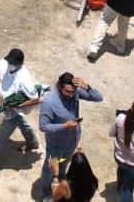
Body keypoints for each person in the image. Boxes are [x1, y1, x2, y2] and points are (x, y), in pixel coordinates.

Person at [39, 72, 104, 201]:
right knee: (49, 169)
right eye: (67, 92)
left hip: (72, 141)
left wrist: (87, 87)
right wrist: (63, 126)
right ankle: (46, 194)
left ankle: (62, 185)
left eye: (73, 92)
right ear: (59, 86)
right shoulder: (49, 102)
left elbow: (99, 98)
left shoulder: (76, 91)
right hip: (56, 145)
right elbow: (43, 126)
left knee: (64, 165)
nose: (71, 95)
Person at [0, 48, 42, 170]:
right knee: (22, 122)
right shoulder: (5, 62)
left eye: (12, 63)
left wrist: (17, 106)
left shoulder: (24, 79)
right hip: (5, 104)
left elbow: (36, 99)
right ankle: (33, 142)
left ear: (20, 64)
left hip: (14, 110)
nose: (9, 65)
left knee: (0, 138)